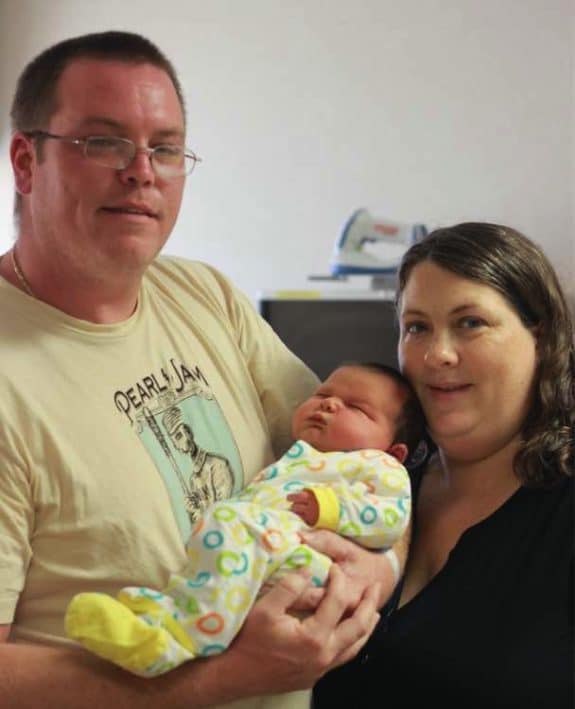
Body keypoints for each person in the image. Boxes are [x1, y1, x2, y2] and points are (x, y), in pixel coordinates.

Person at [0, 31, 404, 709]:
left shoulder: (205, 296)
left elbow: (367, 462)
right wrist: (227, 678)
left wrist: (378, 566)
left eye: (164, 147)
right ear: (26, 161)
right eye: (103, 142)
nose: (142, 170)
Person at [314, 222, 575, 708]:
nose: (437, 354)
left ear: (538, 335)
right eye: (416, 327)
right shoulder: (373, 488)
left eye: (470, 322)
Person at [65, 362, 424, 677]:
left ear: (394, 449)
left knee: (230, 524)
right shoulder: (297, 459)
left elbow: (390, 518)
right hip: (275, 551)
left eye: (357, 408)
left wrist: (331, 508)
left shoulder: (380, 466)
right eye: (323, 393)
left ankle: (186, 637)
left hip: (312, 562)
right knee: (224, 537)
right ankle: (164, 615)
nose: (329, 403)